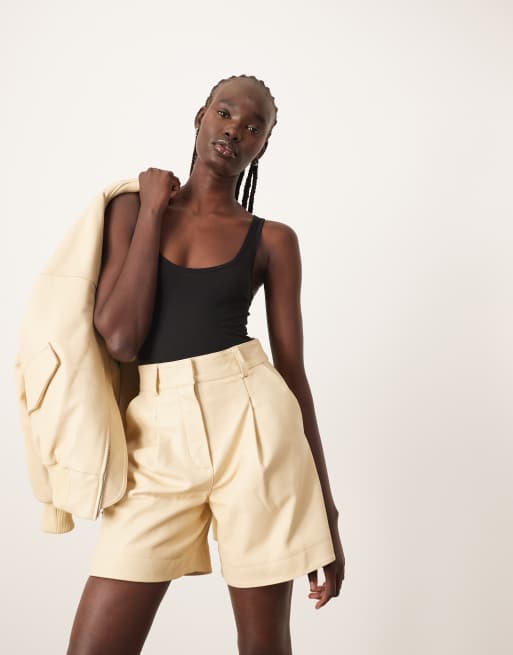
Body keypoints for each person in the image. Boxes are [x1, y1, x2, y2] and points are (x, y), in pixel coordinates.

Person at [66, 74, 345, 655]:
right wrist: (151, 210)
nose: (235, 130)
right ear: (200, 116)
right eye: (225, 113)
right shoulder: (131, 209)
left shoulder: (273, 241)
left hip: (254, 428)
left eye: (254, 127)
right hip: (157, 437)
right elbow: (120, 337)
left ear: (262, 146)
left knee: (264, 645)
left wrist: (328, 512)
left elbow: (294, 375)